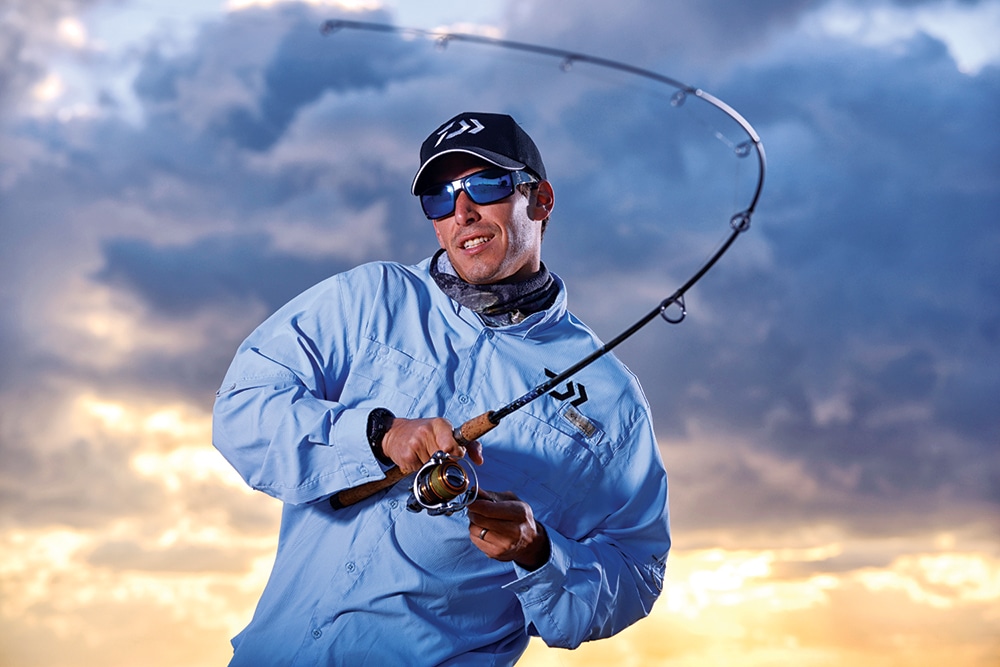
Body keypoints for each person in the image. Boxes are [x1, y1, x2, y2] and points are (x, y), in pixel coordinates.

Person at [213, 111, 670, 665]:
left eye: (487, 184)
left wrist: (537, 551)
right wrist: (378, 434)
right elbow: (241, 409)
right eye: (440, 195)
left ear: (541, 200)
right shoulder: (368, 297)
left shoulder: (611, 399)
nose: (462, 211)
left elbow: (637, 570)